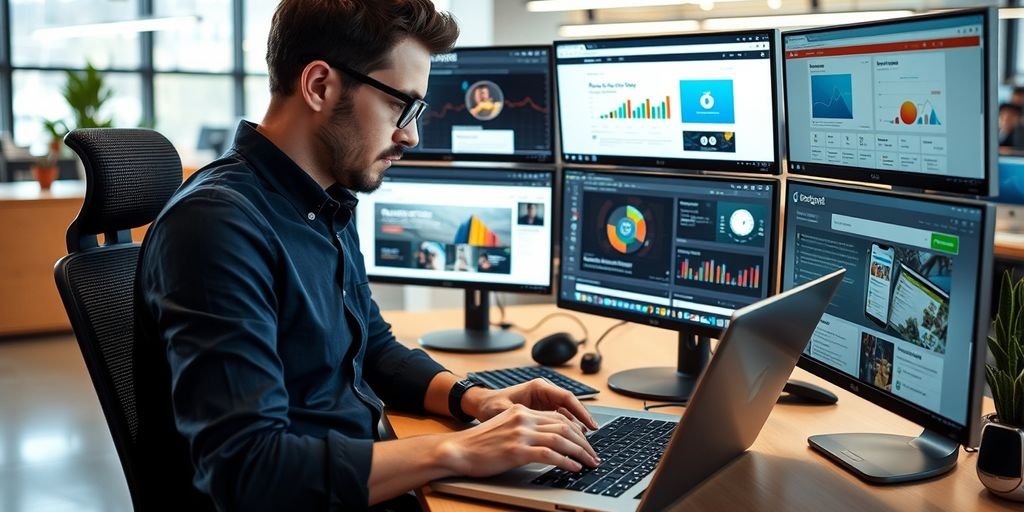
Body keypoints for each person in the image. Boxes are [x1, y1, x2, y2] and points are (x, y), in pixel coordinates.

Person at [135, 1, 599, 510]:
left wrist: (473, 399)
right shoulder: (217, 226)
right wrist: (461, 449)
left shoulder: (324, 199)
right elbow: (250, 473)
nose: (412, 135)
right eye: (402, 105)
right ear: (319, 86)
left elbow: (371, 348)